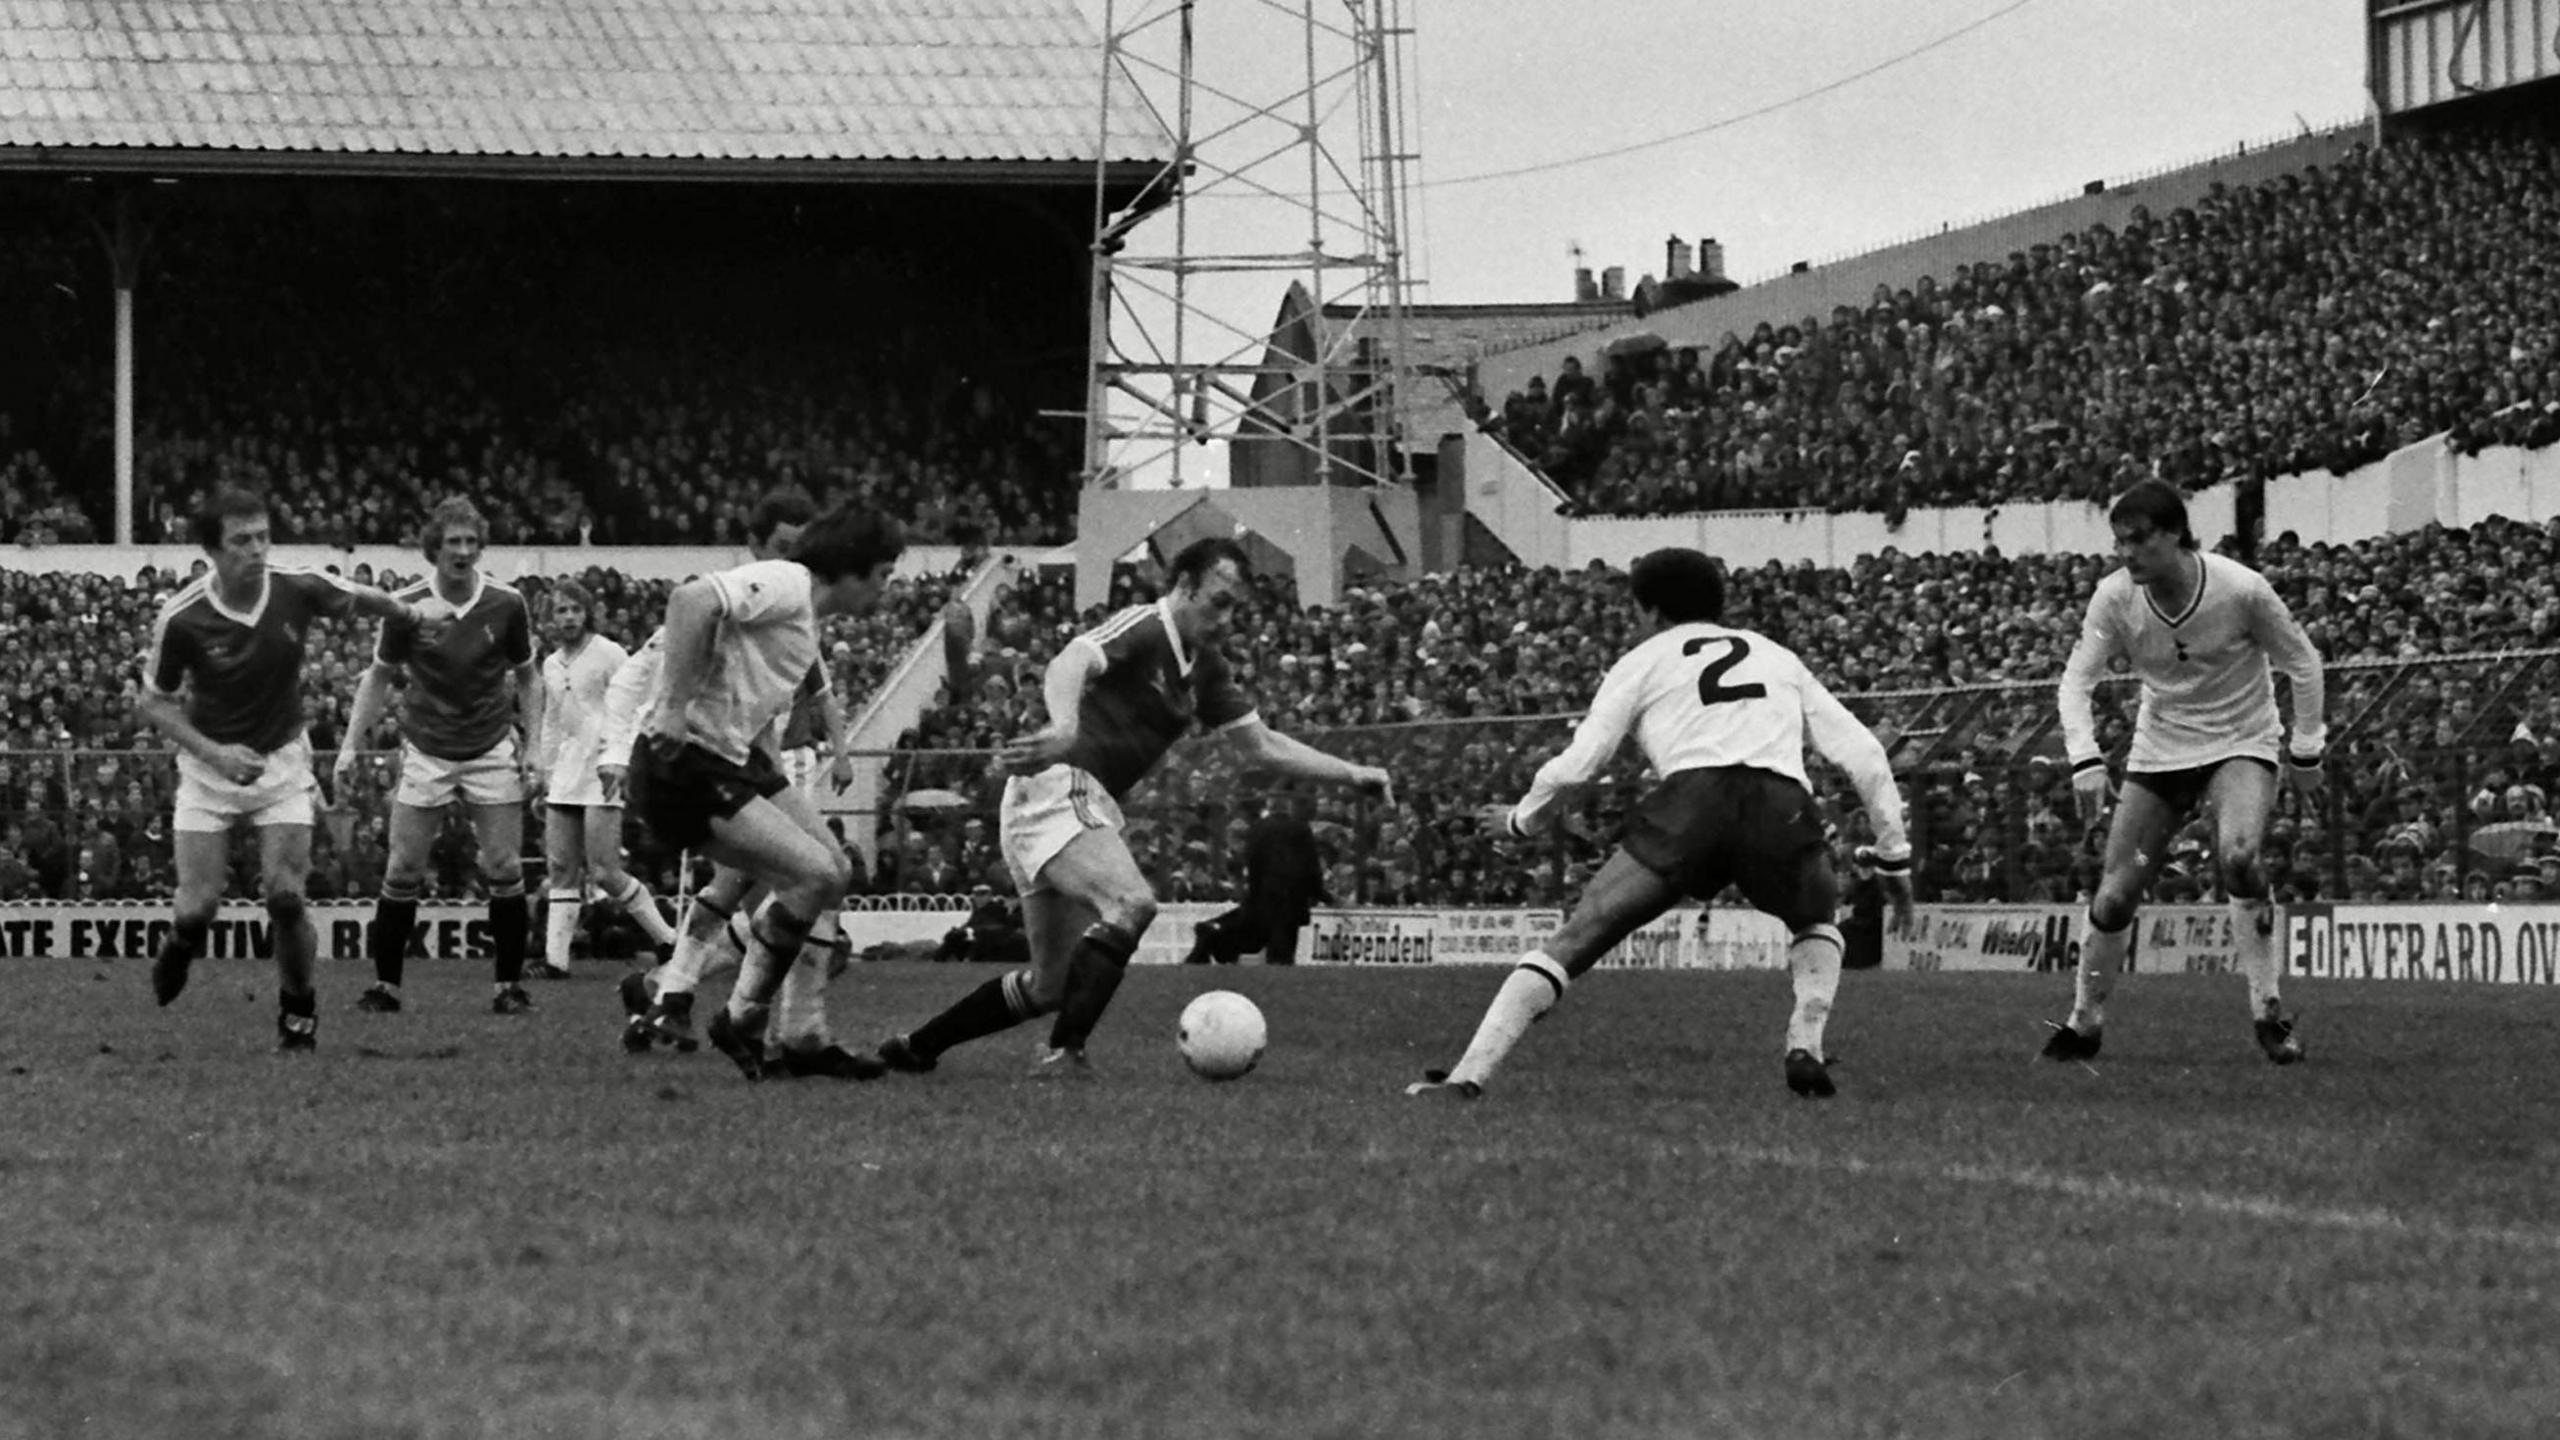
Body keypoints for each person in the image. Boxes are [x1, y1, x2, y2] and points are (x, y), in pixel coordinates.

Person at [874, 536, 1395, 1079]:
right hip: (1059, 785)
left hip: (1064, 802)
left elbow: (1262, 745)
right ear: (1185, 587)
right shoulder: (1148, 626)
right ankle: (1063, 1055)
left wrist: (1352, 773)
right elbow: (1072, 658)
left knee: (1050, 984)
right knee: (1132, 903)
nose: (1227, 617)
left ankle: (916, 1046)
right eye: (1219, 601)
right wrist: (1065, 725)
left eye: (1236, 607)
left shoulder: (1206, 669)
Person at [1407, 547, 1915, 1101]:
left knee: (1581, 934)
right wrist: (1892, 855)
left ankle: (1468, 1077)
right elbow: (1865, 753)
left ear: (1650, 612)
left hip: (1691, 802)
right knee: (1815, 918)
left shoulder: (1644, 659)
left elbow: (1581, 762)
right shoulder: (1776, 657)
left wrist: (1519, 822)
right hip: (1779, 802)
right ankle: (1805, 1043)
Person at [137, 485, 447, 1050]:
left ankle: (298, 1009)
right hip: (211, 770)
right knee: (199, 905)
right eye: (241, 541)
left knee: (284, 896)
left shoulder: (297, 587)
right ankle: (181, 943)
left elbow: (361, 596)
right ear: (213, 550)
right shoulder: (182, 617)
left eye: (262, 537)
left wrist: (409, 612)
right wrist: (214, 754)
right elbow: (152, 702)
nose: (256, 550)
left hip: (280, 759)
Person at [2042, 480, 2327, 1065]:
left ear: (2175, 534)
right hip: (2161, 753)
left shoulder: (2241, 589)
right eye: (2119, 541)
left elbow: (2302, 661)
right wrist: (2086, 758)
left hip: (2239, 741)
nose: (2126, 552)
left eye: (2139, 540)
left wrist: (2306, 749)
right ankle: (2084, 1023)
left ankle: (2268, 1012)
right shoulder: (2115, 599)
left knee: (2240, 855)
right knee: (2117, 896)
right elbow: (2076, 680)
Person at [628, 501, 906, 1082]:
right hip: (684, 767)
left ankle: (802, 1034)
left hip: (728, 762)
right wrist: (674, 708)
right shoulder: (788, 582)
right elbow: (690, 601)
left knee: (833, 869)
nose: (886, 590)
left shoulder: (806, 621)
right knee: (815, 876)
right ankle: (742, 1016)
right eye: (883, 575)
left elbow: (742, 686)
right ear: (854, 566)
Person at [335, 498, 546, 1015]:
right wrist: (349, 744)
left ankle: (508, 988)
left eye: (471, 542)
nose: (463, 551)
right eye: (453, 542)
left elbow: (528, 675)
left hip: (489, 744)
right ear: (434, 547)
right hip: (427, 746)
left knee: (503, 865)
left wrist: (536, 746)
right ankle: (386, 988)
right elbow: (379, 674)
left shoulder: (505, 602)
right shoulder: (405, 606)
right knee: (404, 866)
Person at [528, 576, 676, 980]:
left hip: (602, 768)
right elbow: (552, 721)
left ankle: (668, 940)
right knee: (560, 867)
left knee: (606, 871)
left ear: (588, 613)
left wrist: (622, 757)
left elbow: (635, 703)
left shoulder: (609, 653)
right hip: (566, 772)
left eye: (576, 609)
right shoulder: (551, 663)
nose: (570, 617)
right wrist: (544, 769)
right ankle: (555, 961)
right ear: (550, 618)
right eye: (562, 610)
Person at [1183, 792, 1326, 966]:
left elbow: (1253, 862)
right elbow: (1310, 865)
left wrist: (1252, 893)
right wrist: (1321, 893)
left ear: (1270, 806)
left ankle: (1213, 933)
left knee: (1258, 936)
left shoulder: (1258, 828)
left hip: (1264, 896)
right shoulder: (1301, 828)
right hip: (1292, 897)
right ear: (1288, 806)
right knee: (1282, 948)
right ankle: (1216, 933)